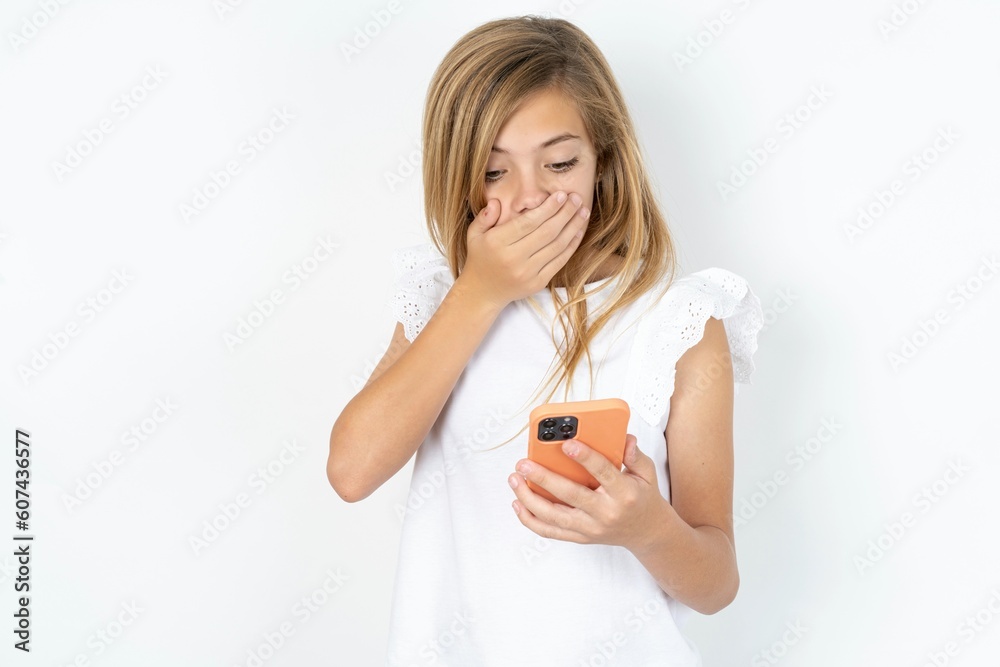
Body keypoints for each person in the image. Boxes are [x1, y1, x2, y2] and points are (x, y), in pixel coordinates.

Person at [328, 15, 764, 666]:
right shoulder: (442, 297)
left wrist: (648, 528)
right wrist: (479, 292)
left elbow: (716, 584)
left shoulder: (679, 321)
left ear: (602, 158)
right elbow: (352, 470)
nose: (530, 197)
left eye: (559, 163)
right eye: (493, 172)